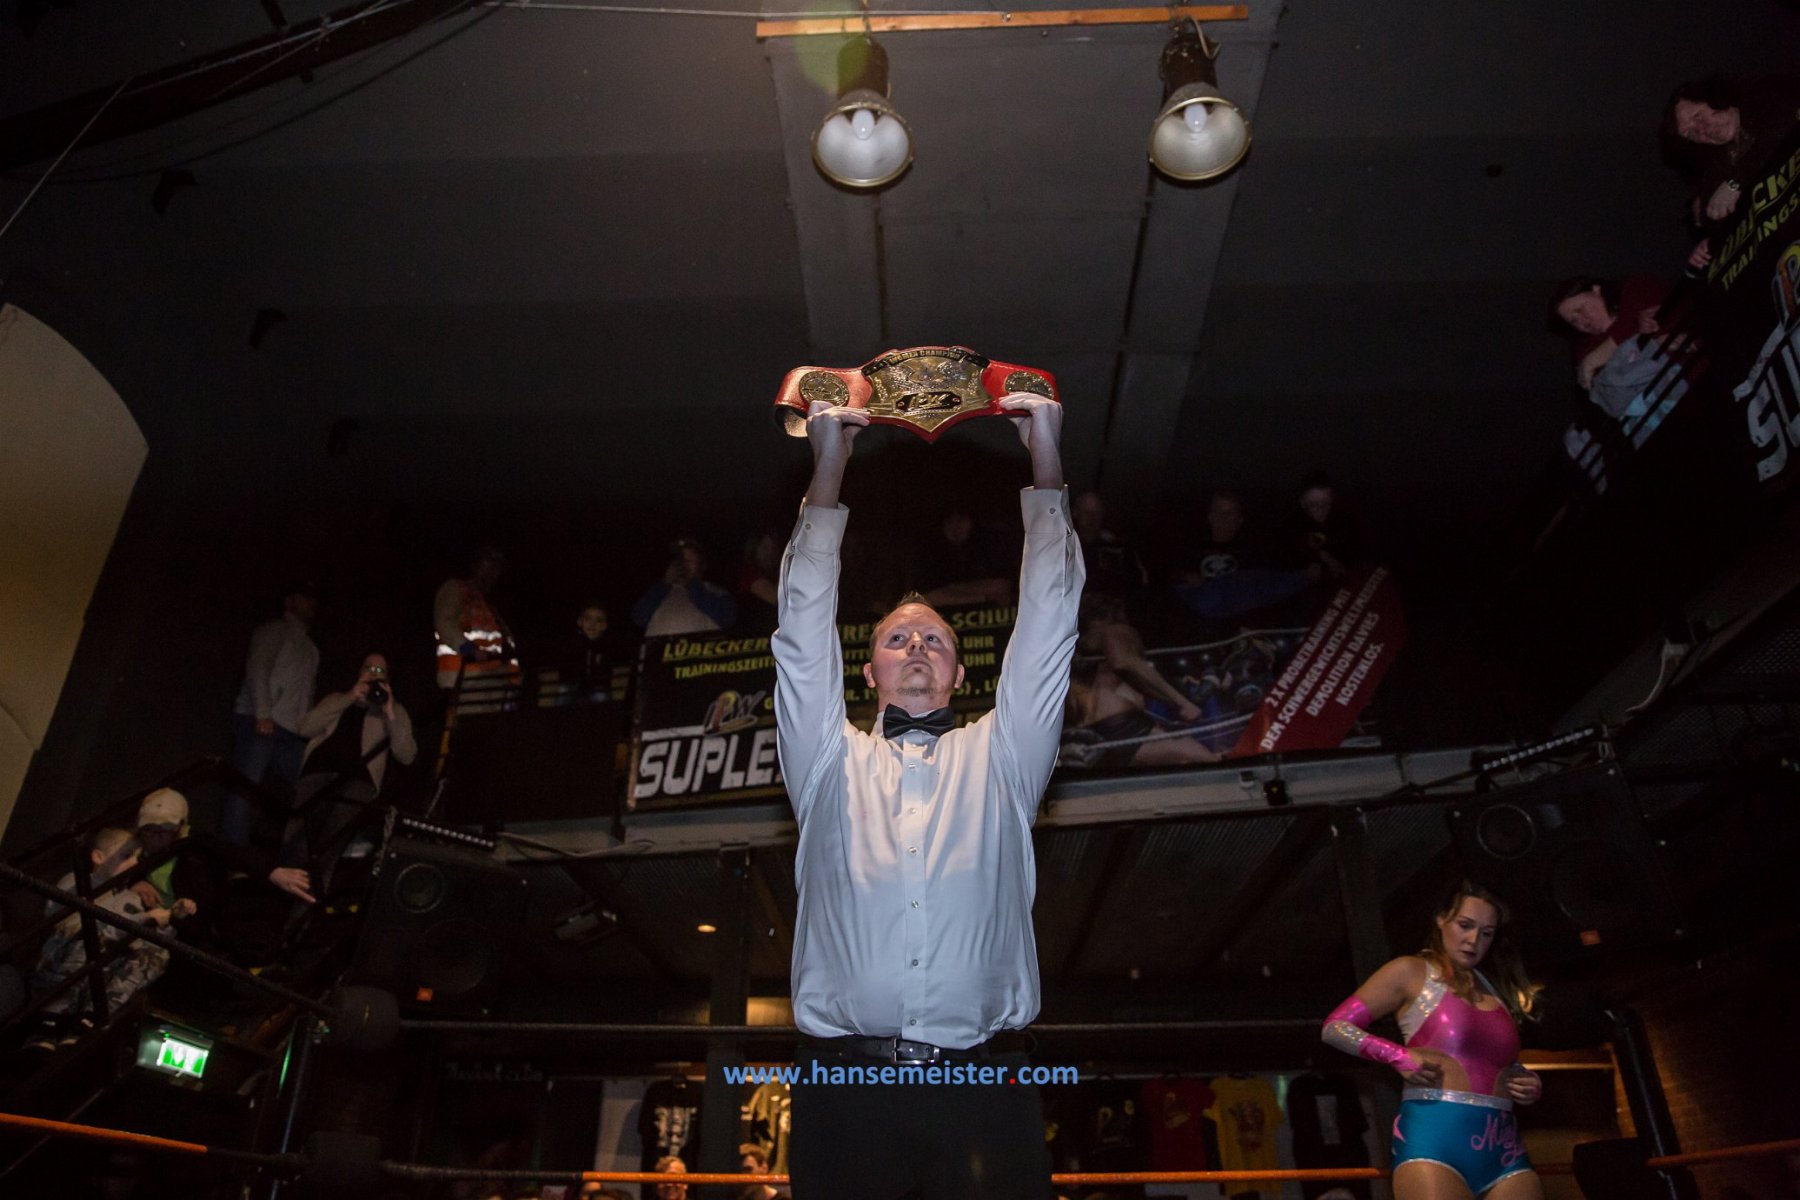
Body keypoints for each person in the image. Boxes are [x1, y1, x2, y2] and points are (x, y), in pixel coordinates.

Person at [772, 392, 1079, 1200]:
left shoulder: (1002, 758)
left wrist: (1044, 457)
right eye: (896, 638)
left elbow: (1050, 624)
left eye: (934, 637)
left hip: (986, 1085)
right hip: (843, 1090)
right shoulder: (827, 761)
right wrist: (829, 466)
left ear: (959, 669)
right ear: (868, 669)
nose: (915, 644)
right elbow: (799, 632)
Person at [1320, 881, 1544, 1200]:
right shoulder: (1410, 971)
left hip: (1505, 1150)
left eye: (1486, 933)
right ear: (1441, 919)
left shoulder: (1495, 988)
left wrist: (1527, 1081)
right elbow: (1335, 1027)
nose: (1473, 940)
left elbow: (1496, 1060)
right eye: (1464, 925)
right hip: (1434, 1147)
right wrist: (1397, 1055)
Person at [26, 828, 187, 1049]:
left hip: (97, 976)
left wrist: (171, 920)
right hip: (59, 971)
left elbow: (140, 935)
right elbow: (74, 927)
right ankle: (49, 1021)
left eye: (137, 857)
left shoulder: (130, 898)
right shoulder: (76, 882)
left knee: (154, 953)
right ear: (98, 857)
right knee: (88, 937)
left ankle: (91, 1016)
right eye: (126, 856)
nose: (134, 863)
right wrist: (143, 919)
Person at [286, 654, 418, 894]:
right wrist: (349, 697)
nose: (374, 673)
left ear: (388, 679)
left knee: (329, 847)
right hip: (316, 773)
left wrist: (389, 711)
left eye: (380, 670)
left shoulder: (394, 709)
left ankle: (308, 906)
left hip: (358, 783)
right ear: (359, 672)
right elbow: (305, 728)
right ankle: (284, 895)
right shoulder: (337, 699)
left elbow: (407, 755)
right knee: (297, 842)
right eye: (369, 668)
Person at [1062, 594, 1216, 771]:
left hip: (1087, 732)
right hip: (1123, 727)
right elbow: (1124, 663)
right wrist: (1182, 702)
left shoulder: (1078, 648)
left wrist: (1174, 702)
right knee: (1209, 761)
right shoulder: (1113, 631)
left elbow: (1131, 675)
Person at [224, 581, 320, 845]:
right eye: (304, 596)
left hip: (290, 732)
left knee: (304, 786)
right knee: (246, 787)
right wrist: (263, 712)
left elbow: (306, 695)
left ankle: (291, 849)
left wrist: (306, 729)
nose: (311, 603)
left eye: (313, 598)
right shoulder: (274, 631)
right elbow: (258, 668)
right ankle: (231, 850)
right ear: (290, 601)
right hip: (261, 721)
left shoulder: (312, 650)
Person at [1663, 75, 1800, 232]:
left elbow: (1780, 130)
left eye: (1698, 116)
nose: (1701, 130)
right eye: (1690, 133)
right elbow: (1711, 213)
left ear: (1715, 98)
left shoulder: (1762, 93)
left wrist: (1734, 184)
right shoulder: (1721, 161)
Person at [1549, 275, 1673, 392]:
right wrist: (1653, 343)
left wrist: (1594, 359)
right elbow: (1607, 386)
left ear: (1596, 290)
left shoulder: (1636, 290)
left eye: (1580, 309)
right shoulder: (1586, 350)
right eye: (1573, 321)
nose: (1581, 320)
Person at [435, 546, 520, 706]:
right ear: (475, 565)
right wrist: (470, 650)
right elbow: (444, 622)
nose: (492, 571)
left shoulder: (490, 606)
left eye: (496, 567)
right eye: (487, 564)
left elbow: (508, 647)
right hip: (466, 679)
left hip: (493, 681)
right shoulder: (456, 589)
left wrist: (513, 681)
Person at [633, 537, 738, 637]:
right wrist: (664, 584)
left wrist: (692, 585)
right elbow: (639, 617)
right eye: (681, 560)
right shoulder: (661, 591)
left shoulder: (714, 590)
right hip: (658, 649)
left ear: (701, 564)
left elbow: (727, 618)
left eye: (690, 560)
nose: (684, 565)